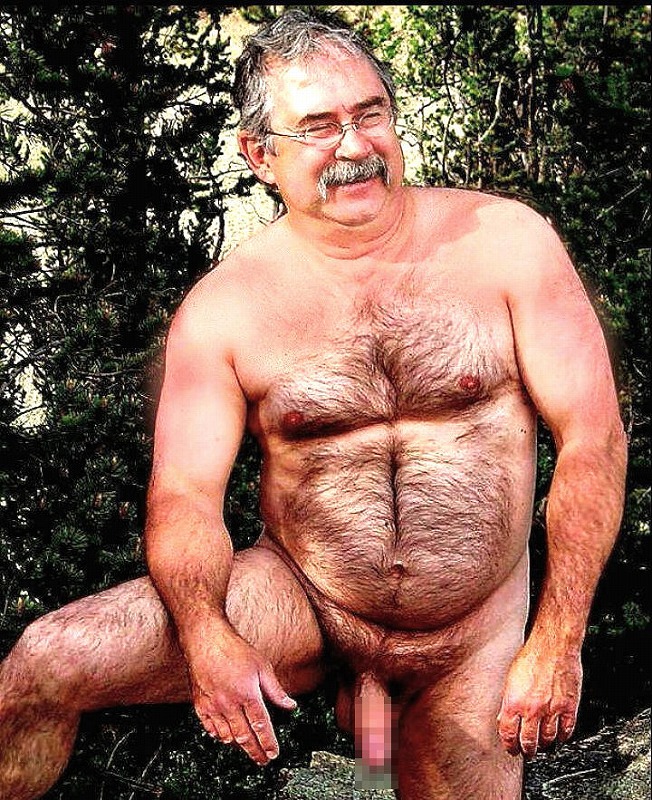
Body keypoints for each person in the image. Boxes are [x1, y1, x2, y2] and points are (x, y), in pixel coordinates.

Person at [0, 9, 627, 800]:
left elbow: (593, 438)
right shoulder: (225, 311)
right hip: (304, 600)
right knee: (46, 662)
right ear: (260, 155)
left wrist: (558, 638)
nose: (355, 147)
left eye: (371, 114)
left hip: (474, 631)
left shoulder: (505, 243)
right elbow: (184, 496)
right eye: (319, 127)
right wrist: (208, 637)